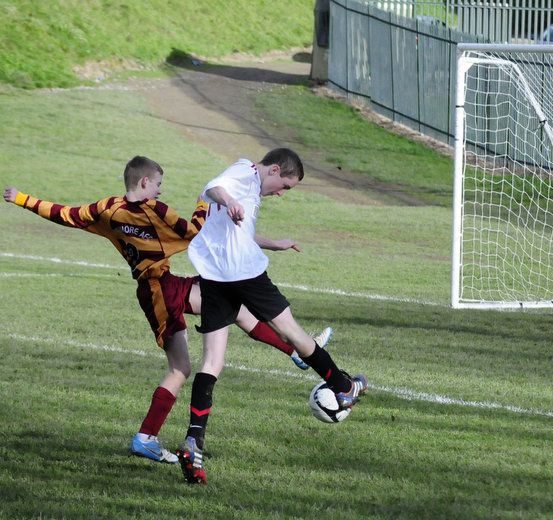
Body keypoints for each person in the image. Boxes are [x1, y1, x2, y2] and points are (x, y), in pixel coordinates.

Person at [3, 155, 332, 464]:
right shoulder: (155, 209)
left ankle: (295, 352)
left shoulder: (106, 209)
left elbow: (64, 214)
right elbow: (193, 231)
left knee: (234, 307)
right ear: (145, 183)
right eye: (159, 183)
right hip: (158, 291)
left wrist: (22, 199)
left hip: (166, 284)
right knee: (181, 368)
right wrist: (206, 202)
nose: (161, 189)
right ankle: (145, 437)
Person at [176, 148, 366, 485]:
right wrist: (228, 200)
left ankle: (194, 441)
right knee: (293, 332)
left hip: (215, 277)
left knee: (212, 361)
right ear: (274, 169)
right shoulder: (244, 172)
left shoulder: (250, 188)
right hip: (244, 276)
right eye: (284, 186)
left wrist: (272, 243)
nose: (280, 193)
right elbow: (212, 188)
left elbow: (238, 232)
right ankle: (344, 385)